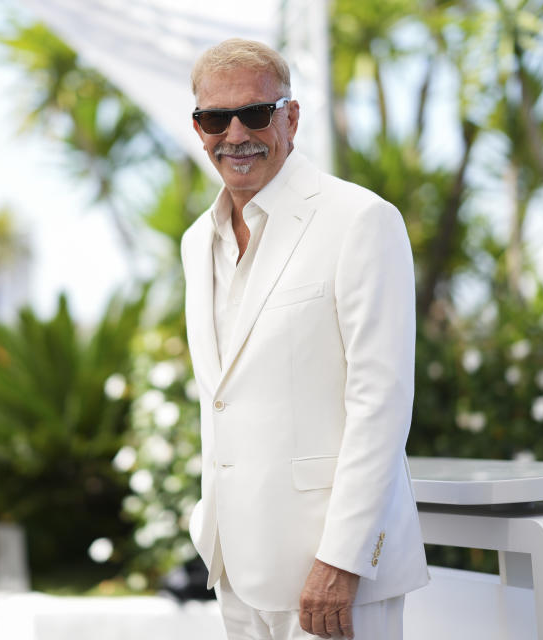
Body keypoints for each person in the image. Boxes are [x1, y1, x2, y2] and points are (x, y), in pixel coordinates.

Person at [181, 39, 429, 639]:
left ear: (290, 117)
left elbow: (381, 403)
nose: (236, 133)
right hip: (235, 568)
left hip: (331, 576)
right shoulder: (196, 242)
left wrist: (342, 559)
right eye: (217, 118)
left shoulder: (360, 220)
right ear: (199, 128)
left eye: (256, 113)